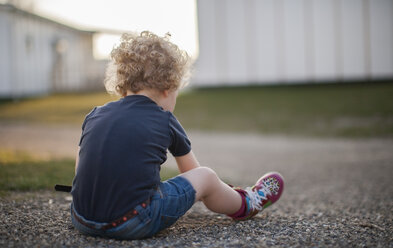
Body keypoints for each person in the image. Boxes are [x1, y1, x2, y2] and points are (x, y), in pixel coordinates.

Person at [70, 31, 284, 240]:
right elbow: (193, 174)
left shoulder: (95, 114)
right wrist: (216, 189)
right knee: (206, 176)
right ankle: (248, 202)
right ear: (168, 88)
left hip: (82, 218)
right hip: (133, 221)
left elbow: (83, 167)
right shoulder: (164, 118)